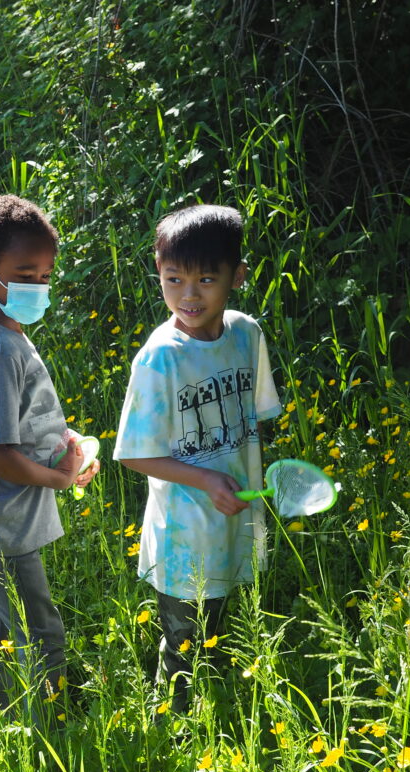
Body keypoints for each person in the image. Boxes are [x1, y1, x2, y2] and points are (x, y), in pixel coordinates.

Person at [0, 194, 100, 731]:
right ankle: (52, 735)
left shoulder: (5, 336)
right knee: (38, 633)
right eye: (25, 274)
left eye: (47, 275)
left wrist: (64, 446)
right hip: (0, 525)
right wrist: (58, 477)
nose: (39, 287)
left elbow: (18, 424)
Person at [113, 204, 281, 716]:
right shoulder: (160, 357)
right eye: (174, 278)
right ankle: (180, 723)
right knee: (184, 638)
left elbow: (255, 418)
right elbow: (136, 454)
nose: (189, 294)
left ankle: (226, 705)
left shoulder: (247, 335)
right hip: (184, 534)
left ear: (238, 276)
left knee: (227, 621)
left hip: (236, 517)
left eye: (207, 279)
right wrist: (206, 478)